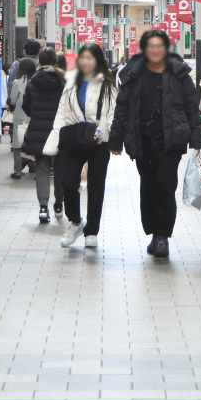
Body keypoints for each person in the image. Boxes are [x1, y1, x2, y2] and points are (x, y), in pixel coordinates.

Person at [108, 29, 201, 260]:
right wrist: (116, 139)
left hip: (171, 139)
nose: (156, 50)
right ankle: (152, 232)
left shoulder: (178, 72)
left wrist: (196, 139)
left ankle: (162, 236)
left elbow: (192, 106)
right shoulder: (133, 73)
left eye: (160, 45)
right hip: (141, 139)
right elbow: (122, 108)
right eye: (151, 45)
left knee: (166, 185)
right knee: (148, 186)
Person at [43, 43, 117, 250]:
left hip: (99, 142)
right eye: (82, 57)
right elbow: (62, 113)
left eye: (90, 58)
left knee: (96, 186)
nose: (85, 61)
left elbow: (113, 114)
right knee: (68, 182)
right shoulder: (70, 82)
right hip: (74, 138)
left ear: (98, 61)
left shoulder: (107, 84)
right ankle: (75, 222)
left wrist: (108, 134)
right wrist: (54, 142)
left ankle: (92, 231)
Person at [20, 47, 68, 222]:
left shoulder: (33, 81)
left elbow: (26, 105)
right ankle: (59, 205)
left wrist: (38, 115)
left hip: (39, 130)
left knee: (42, 168)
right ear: (55, 61)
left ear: (39, 61)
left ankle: (42, 208)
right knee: (61, 168)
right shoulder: (63, 79)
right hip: (59, 131)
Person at [5, 56, 37, 179]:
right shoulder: (35, 80)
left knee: (18, 144)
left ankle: (17, 171)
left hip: (20, 116)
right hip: (33, 115)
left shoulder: (17, 82)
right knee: (31, 141)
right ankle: (33, 166)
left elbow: (13, 100)